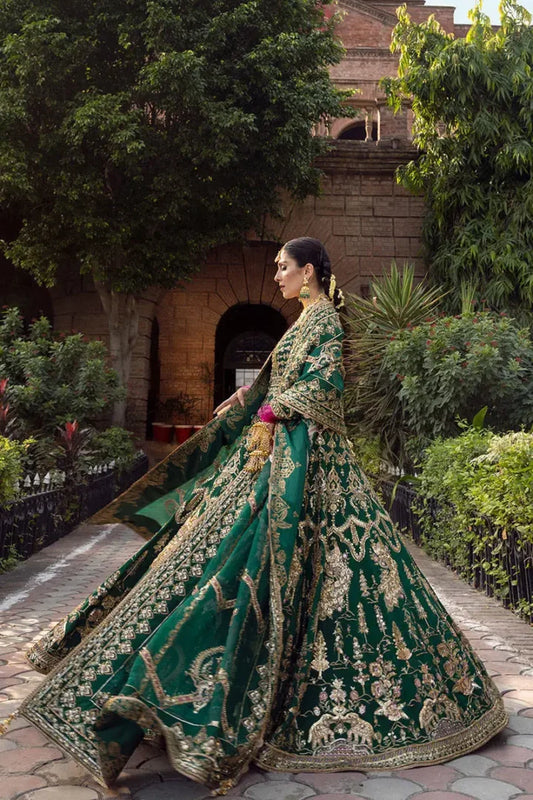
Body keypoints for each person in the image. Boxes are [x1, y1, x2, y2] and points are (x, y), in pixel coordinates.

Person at [19, 237, 506, 794]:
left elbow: (322, 385)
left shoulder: (325, 321)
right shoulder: (301, 322)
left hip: (311, 466)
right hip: (273, 459)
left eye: (283, 268)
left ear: (309, 271)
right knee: (200, 557)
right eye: (277, 268)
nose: (277, 276)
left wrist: (272, 410)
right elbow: (280, 380)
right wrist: (245, 400)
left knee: (306, 574)